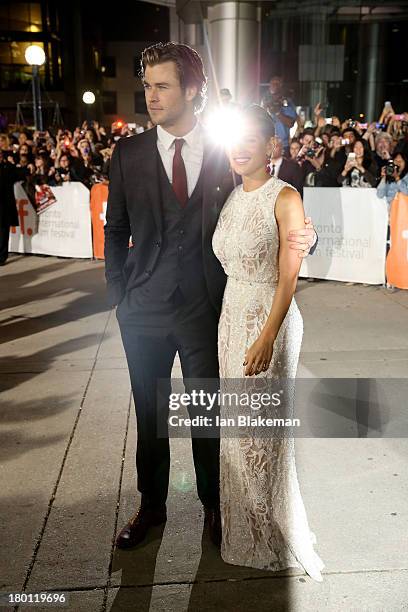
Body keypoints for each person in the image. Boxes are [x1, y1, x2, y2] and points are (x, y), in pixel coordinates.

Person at [104, 42, 317, 551]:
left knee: (207, 414)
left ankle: (214, 507)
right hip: (143, 311)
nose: (151, 97)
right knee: (150, 413)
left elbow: (272, 206)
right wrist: (119, 294)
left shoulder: (227, 155)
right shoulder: (128, 154)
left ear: (193, 90)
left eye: (163, 86)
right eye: (147, 86)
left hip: (207, 309)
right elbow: (116, 228)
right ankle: (151, 504)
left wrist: (306, 238)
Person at [212, 105, 324, 581]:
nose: (240, 150)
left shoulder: (286, 197)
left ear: (270, 147)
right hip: (232, 315)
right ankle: (243, 529)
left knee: (264, 434)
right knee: (239, 433)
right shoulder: (233, 197)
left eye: (250, 141)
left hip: (267, 320)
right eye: (234, 142)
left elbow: (287, 278)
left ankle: (270, 532)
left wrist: (267, 336)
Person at [261, 75, 297, 156]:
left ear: (281, 86)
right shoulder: (264, 101)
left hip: (283, 145)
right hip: (266, 145)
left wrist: (277, 112)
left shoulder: (287, 103)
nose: (274, 85)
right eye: (272, 83)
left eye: (277, 83)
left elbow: (290, 123)